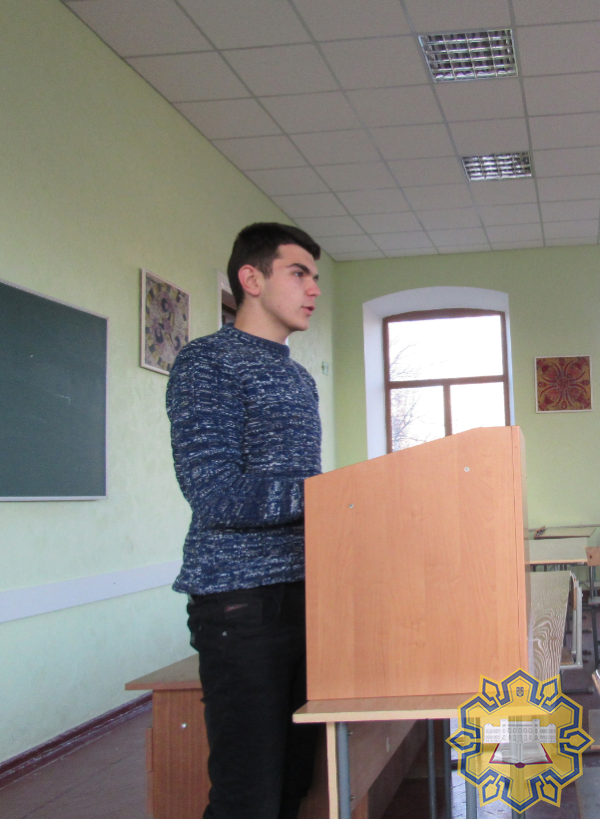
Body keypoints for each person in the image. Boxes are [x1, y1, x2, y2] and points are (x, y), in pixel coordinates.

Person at [166, 222, 322, 819]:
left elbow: (297, 494)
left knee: (292, 786)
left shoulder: (299, 377)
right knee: (247, 796)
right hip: (240, 604)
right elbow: (215, 494)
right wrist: (330, 497)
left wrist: (330, 503)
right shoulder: (206, 362)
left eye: (315, 277)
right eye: (298, 273)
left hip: (305, 594)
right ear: (251, 279)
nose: (313, 289)